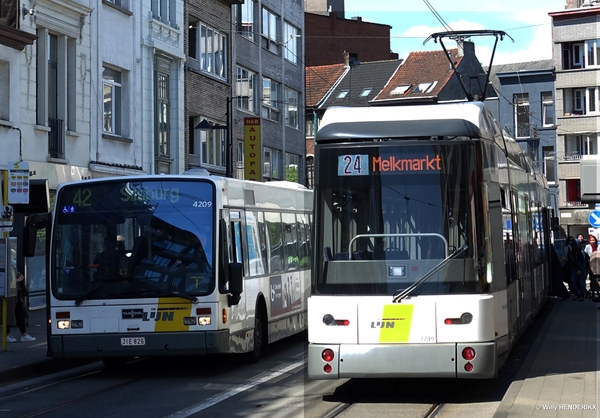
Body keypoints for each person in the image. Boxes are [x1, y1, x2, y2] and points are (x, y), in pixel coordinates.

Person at [6, 272, 36, 342]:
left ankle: (24, 334)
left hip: (16, 295)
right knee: (8, 314)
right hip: (9, 296)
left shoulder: (12, 267)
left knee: (21, 313)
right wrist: (17, 280)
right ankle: (7, 335)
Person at [565, 236, 586, 301]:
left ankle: (582, 296)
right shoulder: (570, 250)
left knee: (581, 282)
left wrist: (580, 269)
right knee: (572, 281)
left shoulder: (580, 251)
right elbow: (571, 260)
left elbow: (583, 261)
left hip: (579, 268)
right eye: (570, 241)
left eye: (572, 241)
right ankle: (577, 294)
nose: (571, 243)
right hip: (573, 268)